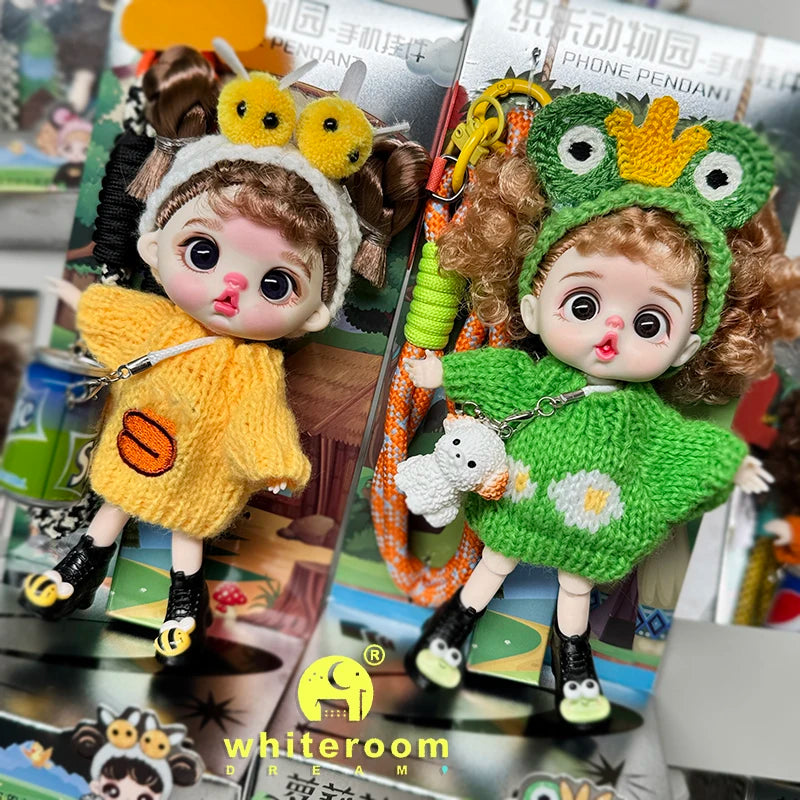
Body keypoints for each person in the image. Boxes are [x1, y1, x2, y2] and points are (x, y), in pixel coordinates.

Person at [398, 93, 800, 727]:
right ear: (532, 309)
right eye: (583, 306)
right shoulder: (539, 376)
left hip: (590, 521)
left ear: (687, 348)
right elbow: (503, 375)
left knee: (575, 586)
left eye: (649, 321)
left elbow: (679, 444)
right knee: (494, 561)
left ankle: (574, 667)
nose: (611, 331)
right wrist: (443, 370)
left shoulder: (641, 411)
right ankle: (449, 632)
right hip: (515, 499)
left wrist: (732, 461)